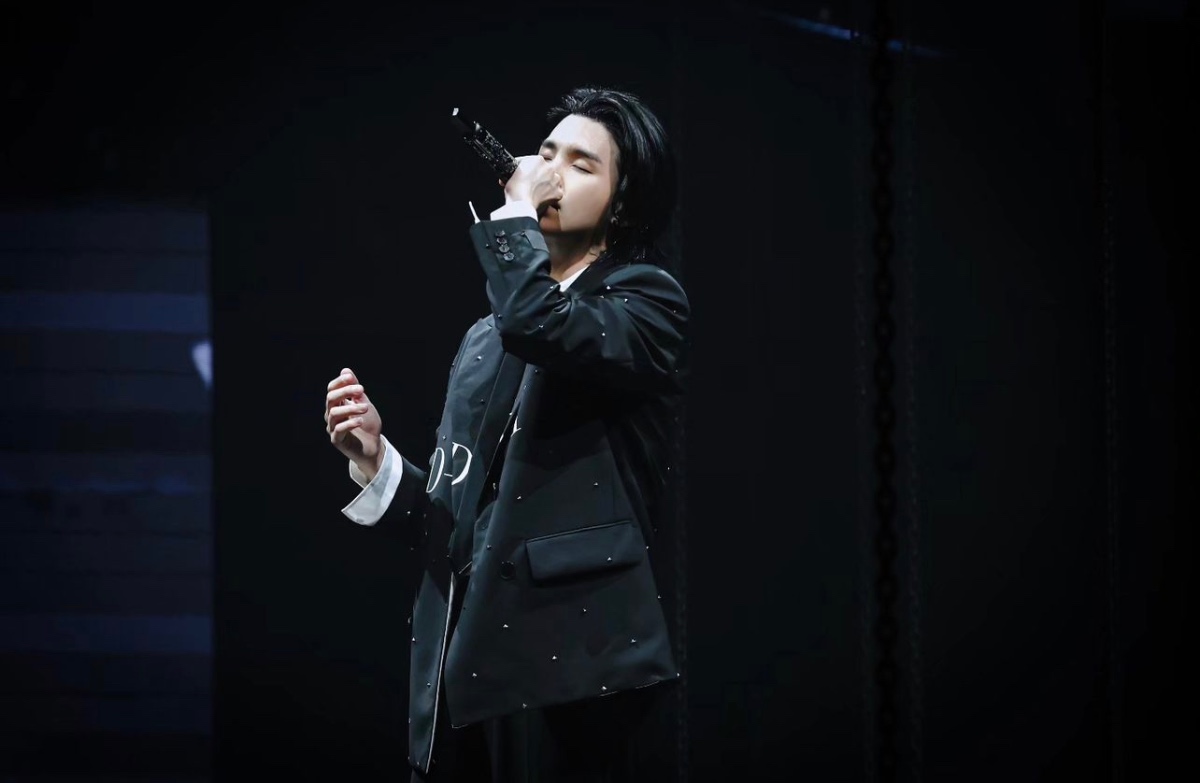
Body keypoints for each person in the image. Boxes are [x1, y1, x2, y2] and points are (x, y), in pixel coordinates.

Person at [321, 86, 688, 782]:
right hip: (467, 669)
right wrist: (376, 460)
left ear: (622, 202)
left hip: (573, 671)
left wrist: (515, 216)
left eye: (580, 163)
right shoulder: (486, 337)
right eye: (545, 152)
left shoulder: (647, 302)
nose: (549, 172)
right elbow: (455, 527)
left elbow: (542, 324)